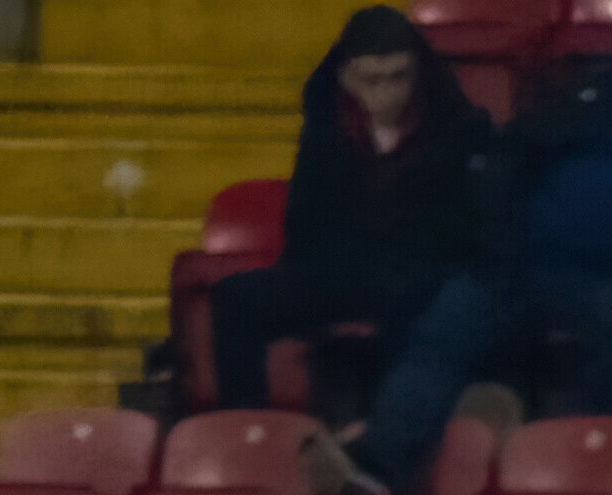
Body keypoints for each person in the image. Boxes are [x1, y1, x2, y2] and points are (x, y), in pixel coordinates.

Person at [345, 0, 612, 494]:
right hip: (520, 263)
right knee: (448, 318)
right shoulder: (604, 91)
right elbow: (510, 154)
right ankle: (377, 470)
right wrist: (496, 242)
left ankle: (601, 478)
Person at [206, 6, 493, 412]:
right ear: (345, 77)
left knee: (430, 303)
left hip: (416, 277)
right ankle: (246, 433)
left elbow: (460, 231)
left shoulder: (459, 127)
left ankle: (383, 440)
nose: (387, 93)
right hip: (336, 271)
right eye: (372, 81)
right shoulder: (326, 127)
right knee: (234, 300)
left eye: (399, 77)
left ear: (419, 73)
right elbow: (305, 222)